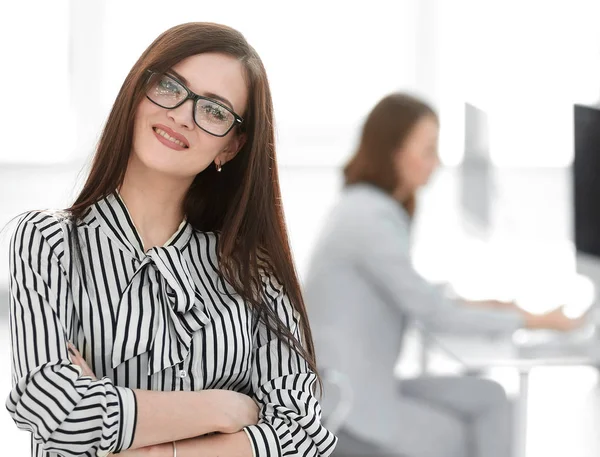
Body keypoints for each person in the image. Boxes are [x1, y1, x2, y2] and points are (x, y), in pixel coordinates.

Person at [6, 22, 337, 457]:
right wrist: (224, 409)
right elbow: (55, 411)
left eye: (215, 111)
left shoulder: (251, 270)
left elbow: (305, 434)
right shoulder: (48, 241)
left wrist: (157, 450)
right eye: (169, 86)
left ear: (231, 147)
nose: (182, 114)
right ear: (138, 92)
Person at [303, 93, 582, 457]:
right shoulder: (368, 220)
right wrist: (536, 320)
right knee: (464, 434)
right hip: (350, 409)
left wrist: (485, 305)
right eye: (428, 150)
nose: (435, 163)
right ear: (394, 151)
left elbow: (413, 294)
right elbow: (434, 315)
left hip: (365, 385)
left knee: (491, 398)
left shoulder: (365, 207)